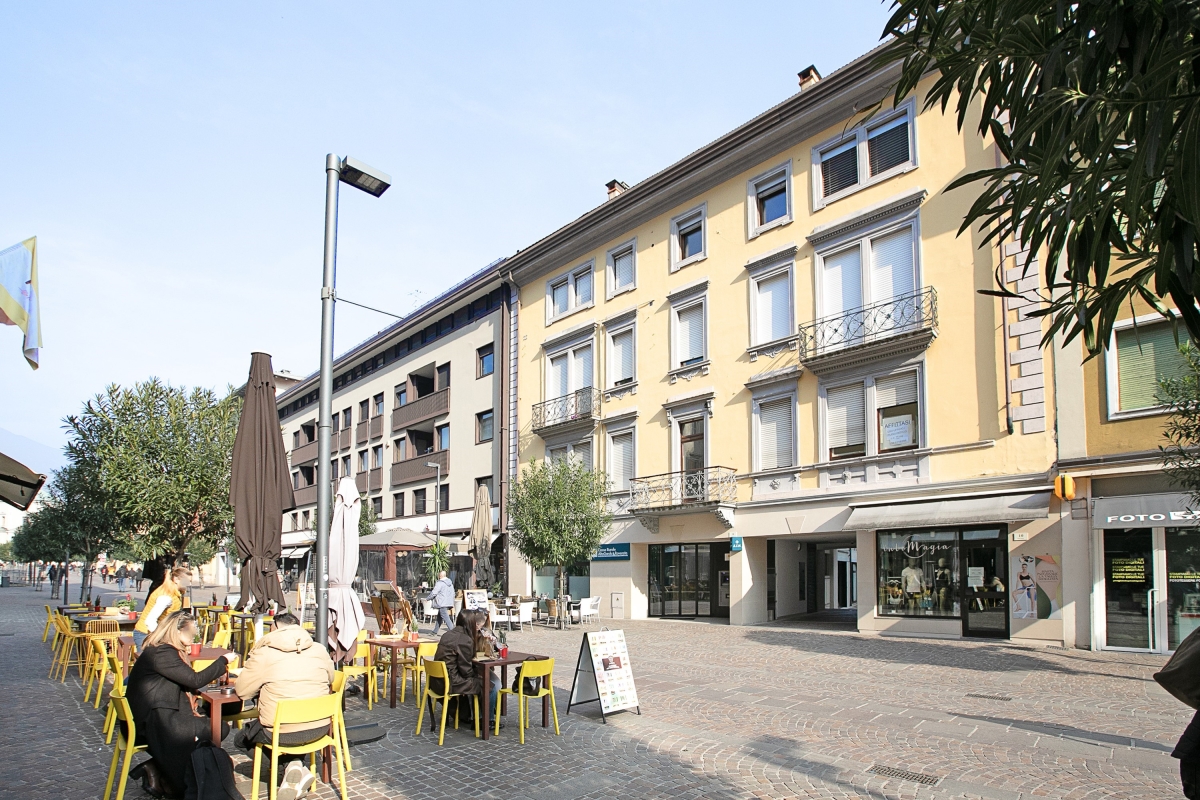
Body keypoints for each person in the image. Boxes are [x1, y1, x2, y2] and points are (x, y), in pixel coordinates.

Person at [125, 611, 236, 799]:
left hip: (162, 711)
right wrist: (223, 661)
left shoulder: (163, 650)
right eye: (191, 631)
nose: (195, 636)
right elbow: (194, 680)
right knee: (215, 728)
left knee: (213, 724)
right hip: (154, 720)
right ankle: (182, 776)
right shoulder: (163, 653)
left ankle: (161, 769)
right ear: (177, 631)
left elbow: (187, 680)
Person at [234, 611, 335, 800]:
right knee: (289, 729)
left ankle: (290, 767)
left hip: (282, 732)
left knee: (241, 739)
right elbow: (331, 678)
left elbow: (242, 692)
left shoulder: (264, 653)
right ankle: (294, 765)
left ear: (275, 628)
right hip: (320, 727)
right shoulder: (319, 649)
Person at [429, 608, 499, 727]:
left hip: (436, 681)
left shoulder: (447, 635)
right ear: (471, 623)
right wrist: (477, 675)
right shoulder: (465, 640)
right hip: (451, 682)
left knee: (479, 681)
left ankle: (469, 715)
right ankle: (486, 721)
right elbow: (466, 671)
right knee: (488, 686)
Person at [135, 567, 190, 652]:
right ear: (176, 579)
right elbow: (150, 621)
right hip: (146, 635)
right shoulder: (166, 596)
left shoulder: (173, 593)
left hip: (153, 635)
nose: (189, 584)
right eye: (187, 581)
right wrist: (162, 638)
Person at [426, 571, 455, 635]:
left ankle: (454, 632)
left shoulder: (440, 583)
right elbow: (453, 593)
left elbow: (434, 592)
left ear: (440, 576)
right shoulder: (450, 583)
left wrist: (428, 598)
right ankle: (434, 631)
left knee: (446, 618)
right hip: (448, 603)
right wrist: (452, 602)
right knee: (439, 617)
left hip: (441, 603)